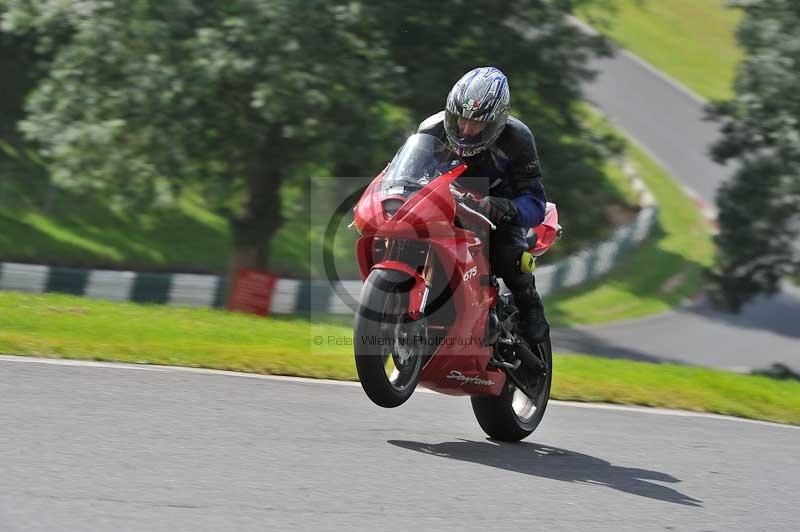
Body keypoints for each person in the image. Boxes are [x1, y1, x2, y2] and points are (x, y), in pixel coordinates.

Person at [418, 66, 549, 344]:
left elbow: (535, 202)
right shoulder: (431, 130)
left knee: (508, 253)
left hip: (495, 215)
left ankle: (530, 305)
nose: (465, 129)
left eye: (476, 124)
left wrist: (507, 208)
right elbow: (406, 173)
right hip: (443, 206)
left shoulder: (518, 139)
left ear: (496, 122)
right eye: (460, 119)